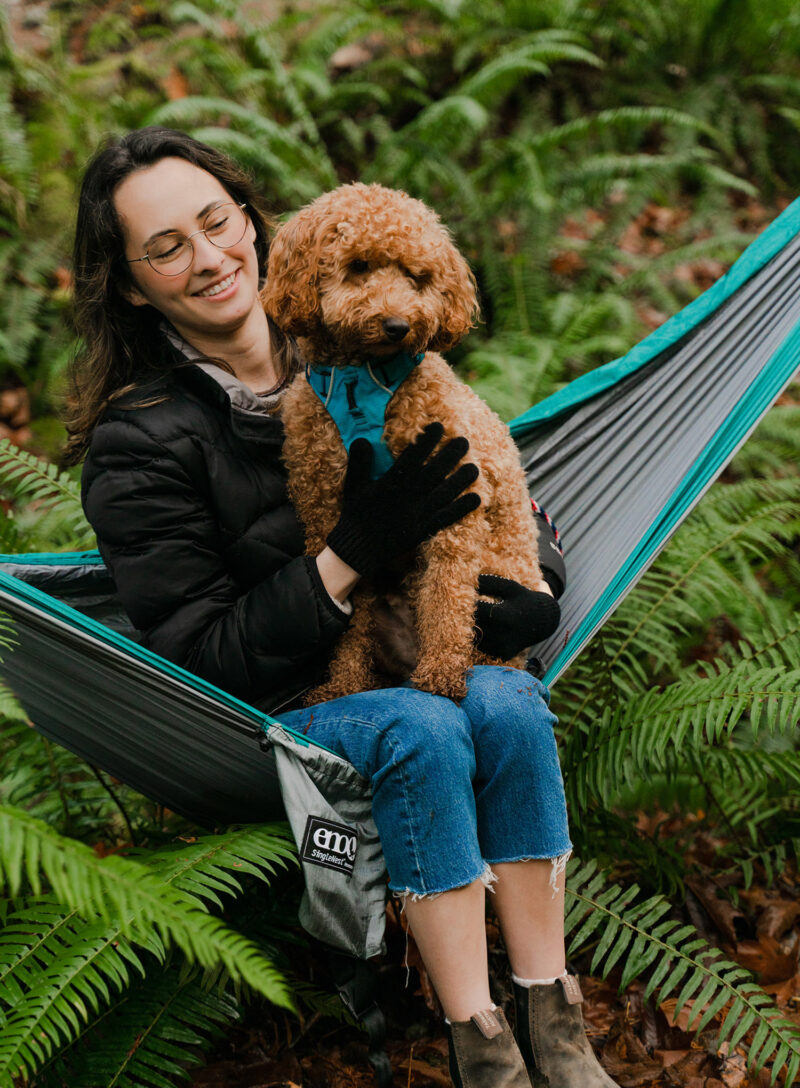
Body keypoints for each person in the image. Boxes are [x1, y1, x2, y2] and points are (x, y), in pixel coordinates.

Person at [67, 125, 619, 1088]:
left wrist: (539, 592)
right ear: (126, 281)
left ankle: (554, 1019)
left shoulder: (371, 336)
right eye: (166, 247)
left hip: (433, 644)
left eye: (215, 222)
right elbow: (203, 654)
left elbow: (502, 490)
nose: (207, 259)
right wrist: (351, 553)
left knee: (506, 704)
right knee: (424, 725)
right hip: (284, 702)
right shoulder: (140, 446)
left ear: (250, 220)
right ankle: (481, 1046)